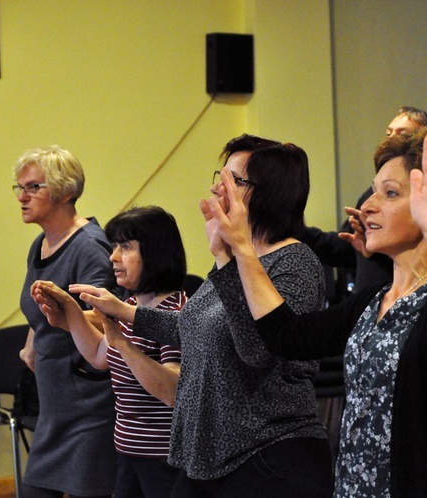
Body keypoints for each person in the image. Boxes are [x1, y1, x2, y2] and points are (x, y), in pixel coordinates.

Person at [207, 127, 427, 497]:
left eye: (391, 193)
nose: (368, 204)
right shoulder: (374, 300)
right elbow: (286, 336)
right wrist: (239, 248)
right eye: (374, 189)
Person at [65, 136, 333, 498]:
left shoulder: (295, 263)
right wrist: (124, 311)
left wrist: (226, 259)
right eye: (219, 176)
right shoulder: (237, 259)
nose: (215, 187)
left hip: (266, 454)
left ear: (268, 192)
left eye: (234, 180)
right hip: (211, 455)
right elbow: (192, 325)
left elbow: (257, 349)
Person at [31, 206, 188, 498]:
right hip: (128, 452)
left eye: (126, 247)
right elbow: (101, 355)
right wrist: (69, 310)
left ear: (155, 253)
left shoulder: (174, 311)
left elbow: (172, 390)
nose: (113, 257)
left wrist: (123, 345)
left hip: (163, 458)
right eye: (114, 246)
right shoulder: (133, 303)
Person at [14, 145, 121, 498]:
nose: (22, 197)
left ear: (65, 192)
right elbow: (40, 303)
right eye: (20, 188)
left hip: (88, 402)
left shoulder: (90, 247)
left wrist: (68, 315)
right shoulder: (40, 244)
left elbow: (106, 315)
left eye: (33, 187)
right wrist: (32, 343)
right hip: (54, 400)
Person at [301, 106, 427, 292]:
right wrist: (296, 230)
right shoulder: (369, 198)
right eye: (388, 133)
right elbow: (348, 250)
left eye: (402, 133)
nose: (367, 206)